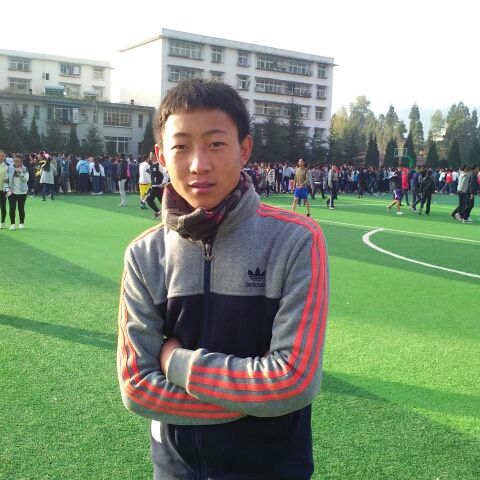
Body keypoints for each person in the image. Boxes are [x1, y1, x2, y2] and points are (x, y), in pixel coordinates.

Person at [117, 79, 329, 480]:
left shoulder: (295, 239)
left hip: (273, 469)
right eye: (181, 146)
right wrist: (254, 402)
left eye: (215, 144)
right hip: (176, 469)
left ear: (244, 149)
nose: (199, 164)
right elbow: (138, 386)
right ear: (161, 155)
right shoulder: (145, 253)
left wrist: (176, 363)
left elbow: (293, 382)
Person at [7, 154, 29, 230]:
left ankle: (21, 223)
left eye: (18, 161)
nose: (16, 163)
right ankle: (12, 224)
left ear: (21, 162)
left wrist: (20, 173)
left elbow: (26, 180)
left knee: (21, 208)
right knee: (12, 208)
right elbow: (7, 179)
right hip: (12, 192)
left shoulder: (25, 169)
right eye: (15, 161)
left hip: (22, 192)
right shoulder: (10, 168)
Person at [145, 151, 165, 219]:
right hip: (154, 187)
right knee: (150, 199)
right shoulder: (152, 166)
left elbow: (166, 174)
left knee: (162, 202)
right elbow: (153, 175)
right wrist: (151, 182)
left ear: (155, 155)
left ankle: (162, 213)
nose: (149, 156)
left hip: (159, 187)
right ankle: (159, 212)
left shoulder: (159, 165)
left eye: (151, 155)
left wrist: (163, 183)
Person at [0, 150, 8, 229]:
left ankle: (2, 222)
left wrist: (7, 180)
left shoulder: (7, 167)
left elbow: (9, 178)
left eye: (2, 156)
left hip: (3, 190)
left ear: (4, 157)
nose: (1, 157)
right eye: (0, 156)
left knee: (3, 206)